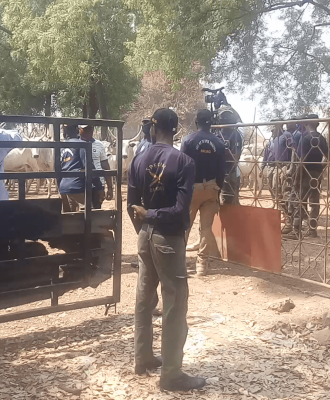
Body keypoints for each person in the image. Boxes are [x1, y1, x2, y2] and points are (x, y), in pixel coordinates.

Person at [128, 108, 205, 391]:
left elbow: (130, 206)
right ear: (175, 130)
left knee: (144, 298)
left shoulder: (138, 159)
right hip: (168, 237)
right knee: (174, 303)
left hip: (145, 237)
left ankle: (143, 358)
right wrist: (153, 219)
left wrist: (144, 227)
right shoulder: (183, 161)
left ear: (153, 129)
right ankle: (171, 375)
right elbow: (179, 209)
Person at [181, 109, 225, 276]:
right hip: (211, 188)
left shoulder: (188, 140)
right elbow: (222, 170)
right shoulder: (219, 143)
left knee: (185, 225)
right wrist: (217, 188)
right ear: (211, 123)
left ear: (196, 122)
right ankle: (202, 264)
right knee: (206, 228)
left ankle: (180, 262)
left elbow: (182, 167)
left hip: (192, 188)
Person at [286, 114, 329, 239]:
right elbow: (328, 158)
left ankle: (296, 231)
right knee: (314, 202)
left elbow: (301, 160)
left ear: (307, 123)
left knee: (300, 201)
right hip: (316, 174)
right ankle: (312, 231)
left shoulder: (304, 138)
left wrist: (297, 177)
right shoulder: (322, 138)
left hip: (305, 173)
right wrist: (320, 168)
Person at [58, 124, 102, 212]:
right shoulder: (82, 145)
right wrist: (99, 187)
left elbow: (58, 168)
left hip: (63, 186)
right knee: (88, 214)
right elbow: (89, 167)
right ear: (78, 131)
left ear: (64, 132)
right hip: (77, 186)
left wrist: (59, 187)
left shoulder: (60, 146)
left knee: (71, 216)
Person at [262, 121, 293, 227]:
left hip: (283, 166)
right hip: (273, 166)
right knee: (274, 189)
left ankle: (289, 217)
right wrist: (263, 167)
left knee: (283, 190)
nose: (274, 128)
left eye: (275, 125)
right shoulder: (273, 139)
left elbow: (292, 151)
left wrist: (290, 166)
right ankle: (282, 212)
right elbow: (267, 155)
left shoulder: (286, 135)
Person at [79, 125, 113, 209]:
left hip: (98, 185)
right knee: (81, 213)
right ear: (80, 130)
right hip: (80, 185)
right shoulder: (76, 145)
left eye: (90, 129)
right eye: (85, 129)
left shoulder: (99, 144)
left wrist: (110, 187)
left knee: (96, 210)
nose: (88, 131)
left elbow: (105, 166)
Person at [217, 109, 243, 206]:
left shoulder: (236, 134)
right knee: (226, 198)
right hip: (224, 171)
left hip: (231, 171)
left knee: (231, 198)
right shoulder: (217, 134)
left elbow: (237, 154)